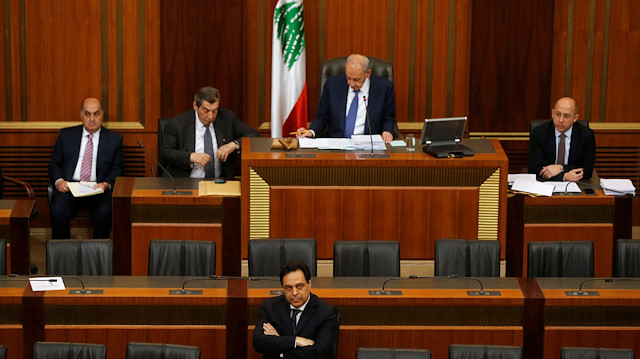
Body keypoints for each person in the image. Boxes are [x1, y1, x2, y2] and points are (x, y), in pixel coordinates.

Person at [49, 98, 123, 239]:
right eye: (88, 114)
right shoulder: (66, 135)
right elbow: (54, 164)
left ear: (102, 115)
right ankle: (62, 254)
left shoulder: (114, 140)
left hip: (98, 189)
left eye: (96, 114)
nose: (92, 119)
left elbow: (117, 169)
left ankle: (99, 254)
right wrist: (59, 182)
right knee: (57, 211)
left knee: (105, 211)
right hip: (70, 188)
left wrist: (106, 184)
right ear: (81, 115)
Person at [160, 87, 259, 178]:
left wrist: (234, 145)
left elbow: (254, 135)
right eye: (206, 111)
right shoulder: (178, 123)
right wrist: (191, 157)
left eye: (215, 111)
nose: (211, 116)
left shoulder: (227, 118)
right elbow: (166, 153)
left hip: (220, 182)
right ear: (195, 105)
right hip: (186, 182)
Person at [297, 54, 396, 144]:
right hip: (337, 146)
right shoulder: (332, 85)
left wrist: (387, 131)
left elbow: (388, 118)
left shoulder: (384, 88)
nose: (351, 84)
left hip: (368, 147)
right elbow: (322, 117)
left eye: (356, 80)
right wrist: (311, 131)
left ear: (368, 73)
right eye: (348, 78)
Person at [253, 260, 339, 359]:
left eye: (299, 286)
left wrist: (279, 347)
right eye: (288, 287)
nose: (294, 293)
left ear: (309, 284)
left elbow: (320, 353)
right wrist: (296, 341)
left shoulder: (327, 312)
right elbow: (258, 342)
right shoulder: (270, 306)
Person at [529, 97, 596, 182]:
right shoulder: (539, 132)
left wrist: (561, 168)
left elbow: (588, 169)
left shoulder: (586, 135)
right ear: (552, 113)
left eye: (566, 116)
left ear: (575, 118)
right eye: (557, 114)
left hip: (575, 184)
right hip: (545, 184)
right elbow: (535, 168)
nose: (560, 120)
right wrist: (564, 177)